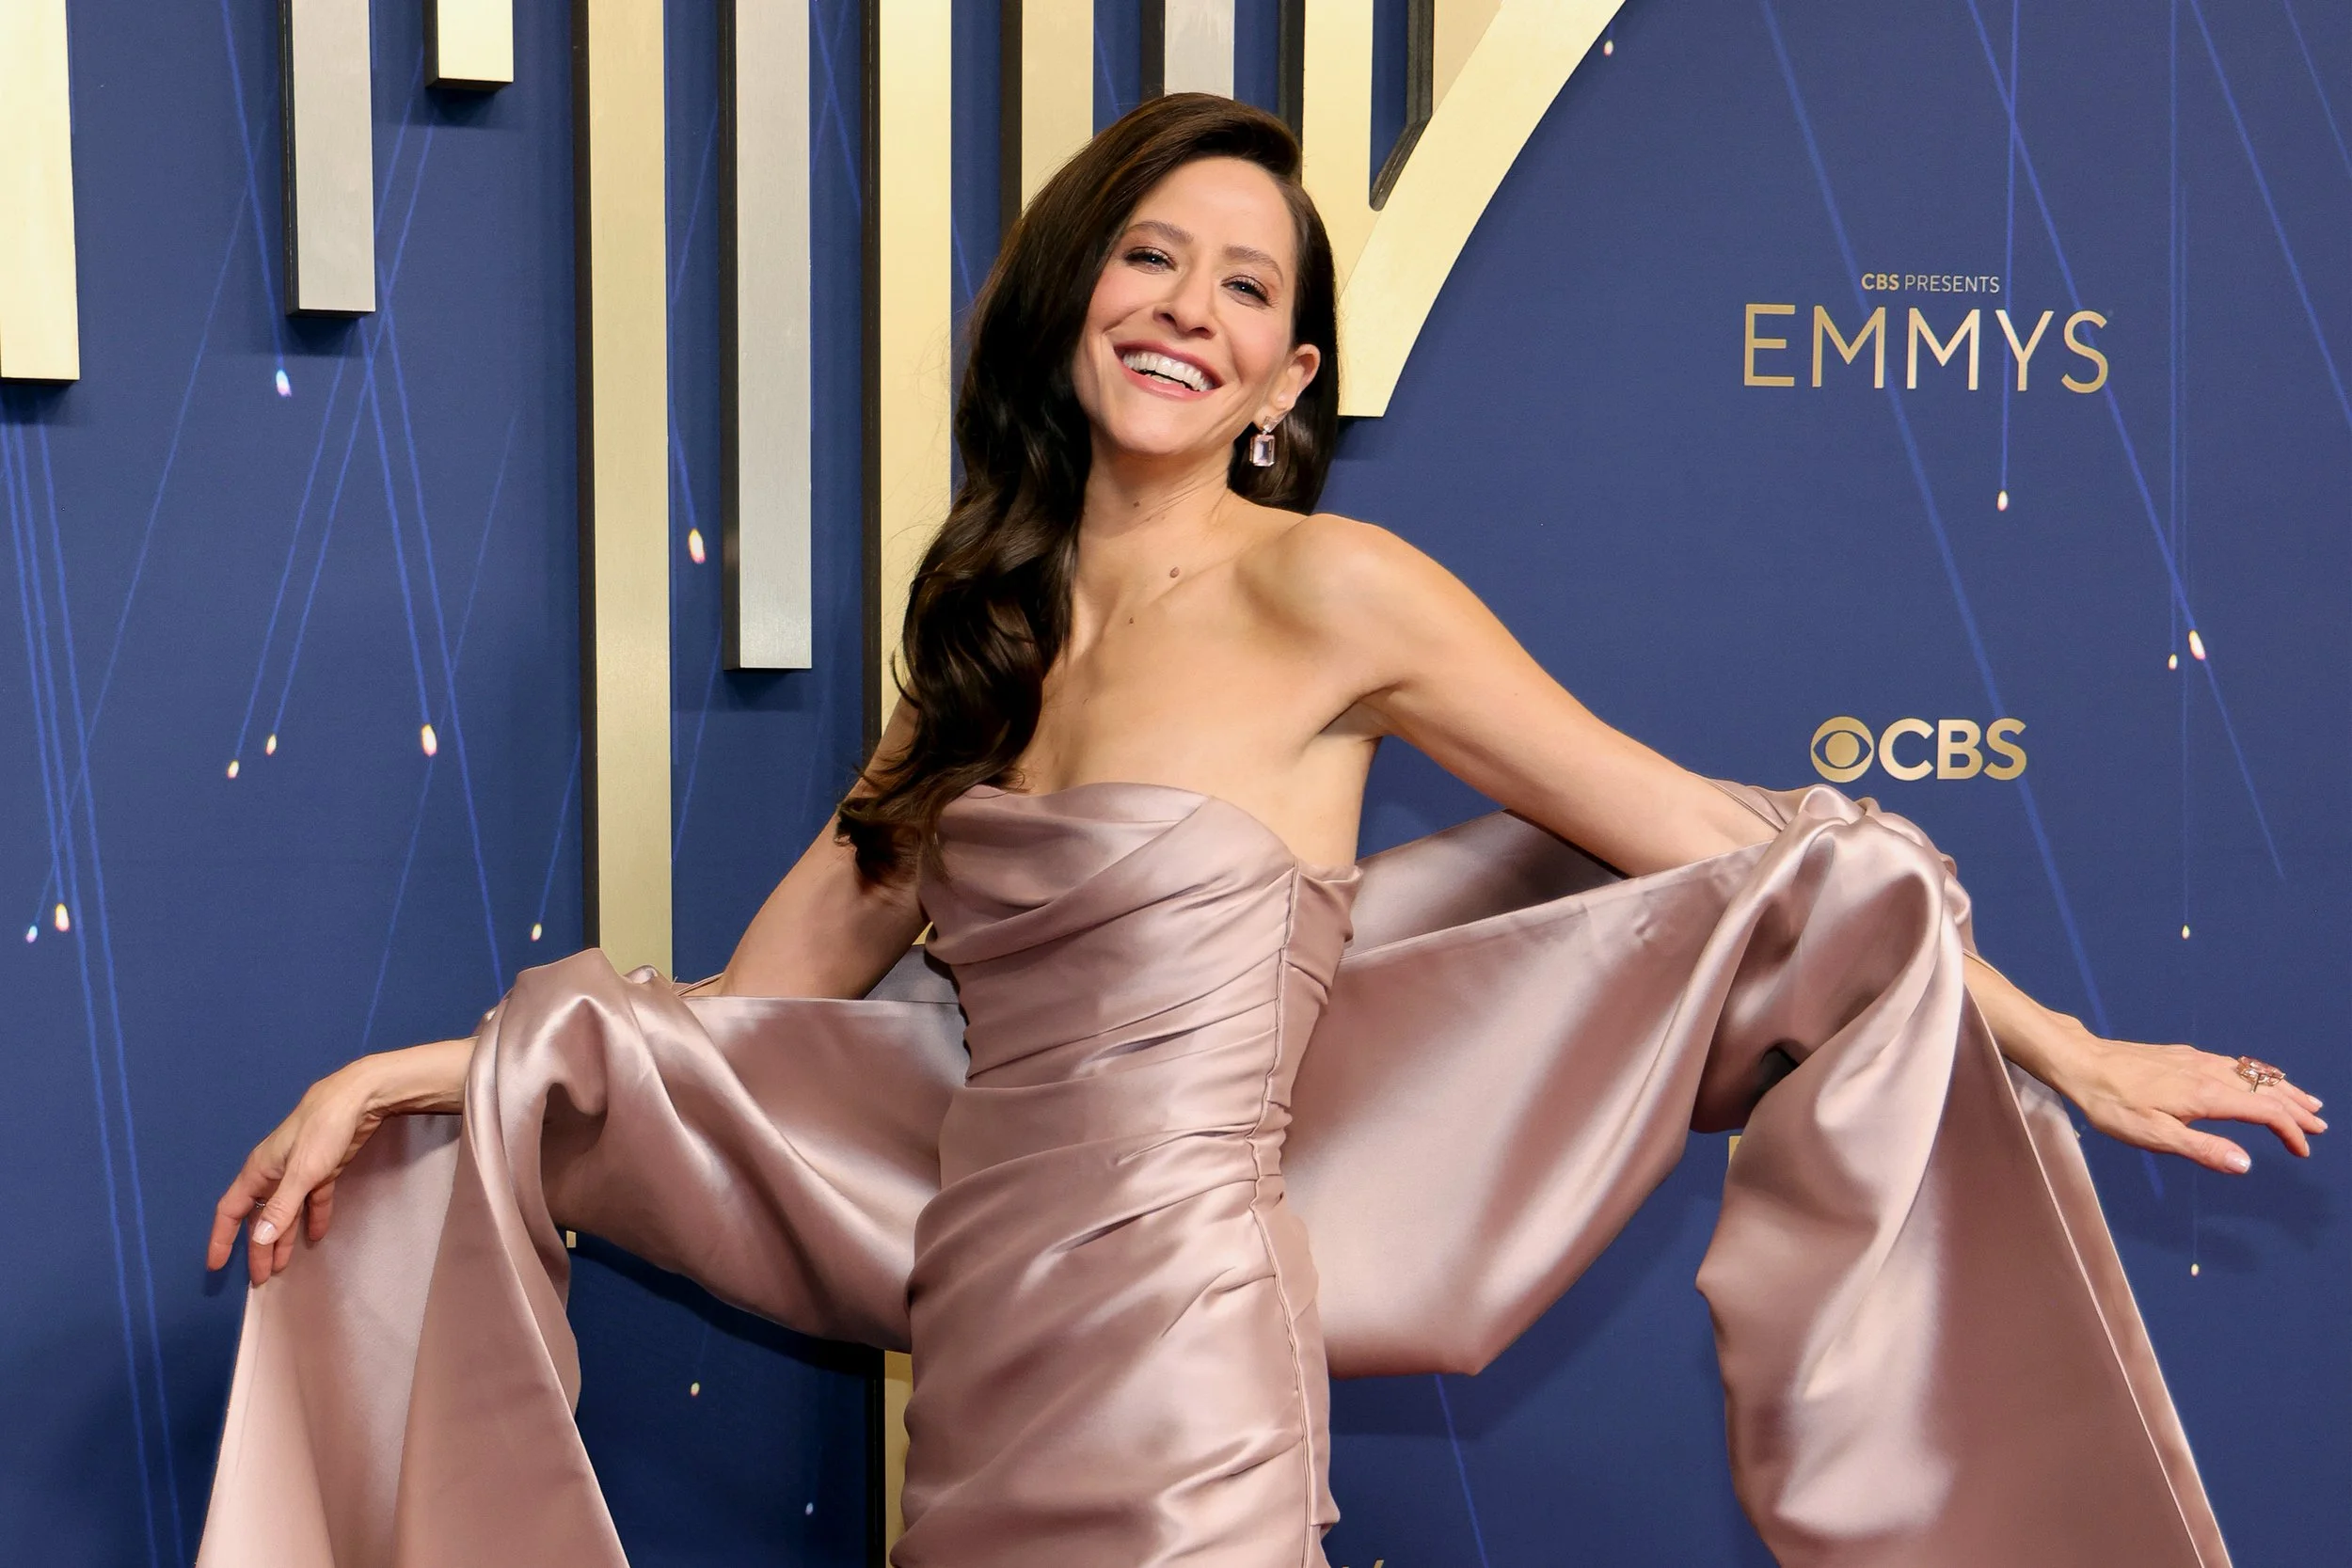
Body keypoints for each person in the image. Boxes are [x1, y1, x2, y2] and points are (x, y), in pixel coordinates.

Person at [198, 95, 2320, 1568]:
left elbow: (1730, 842)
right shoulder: (976, 666)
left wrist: (2060, 1043)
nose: (1183, 312)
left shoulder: (1339, 596)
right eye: (1149, 257)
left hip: (1192, 1349)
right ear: (1070, 295)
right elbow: (741, 1035)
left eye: (1240, 289)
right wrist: (430, 1074)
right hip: (981, 1357)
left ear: (1286, 374)